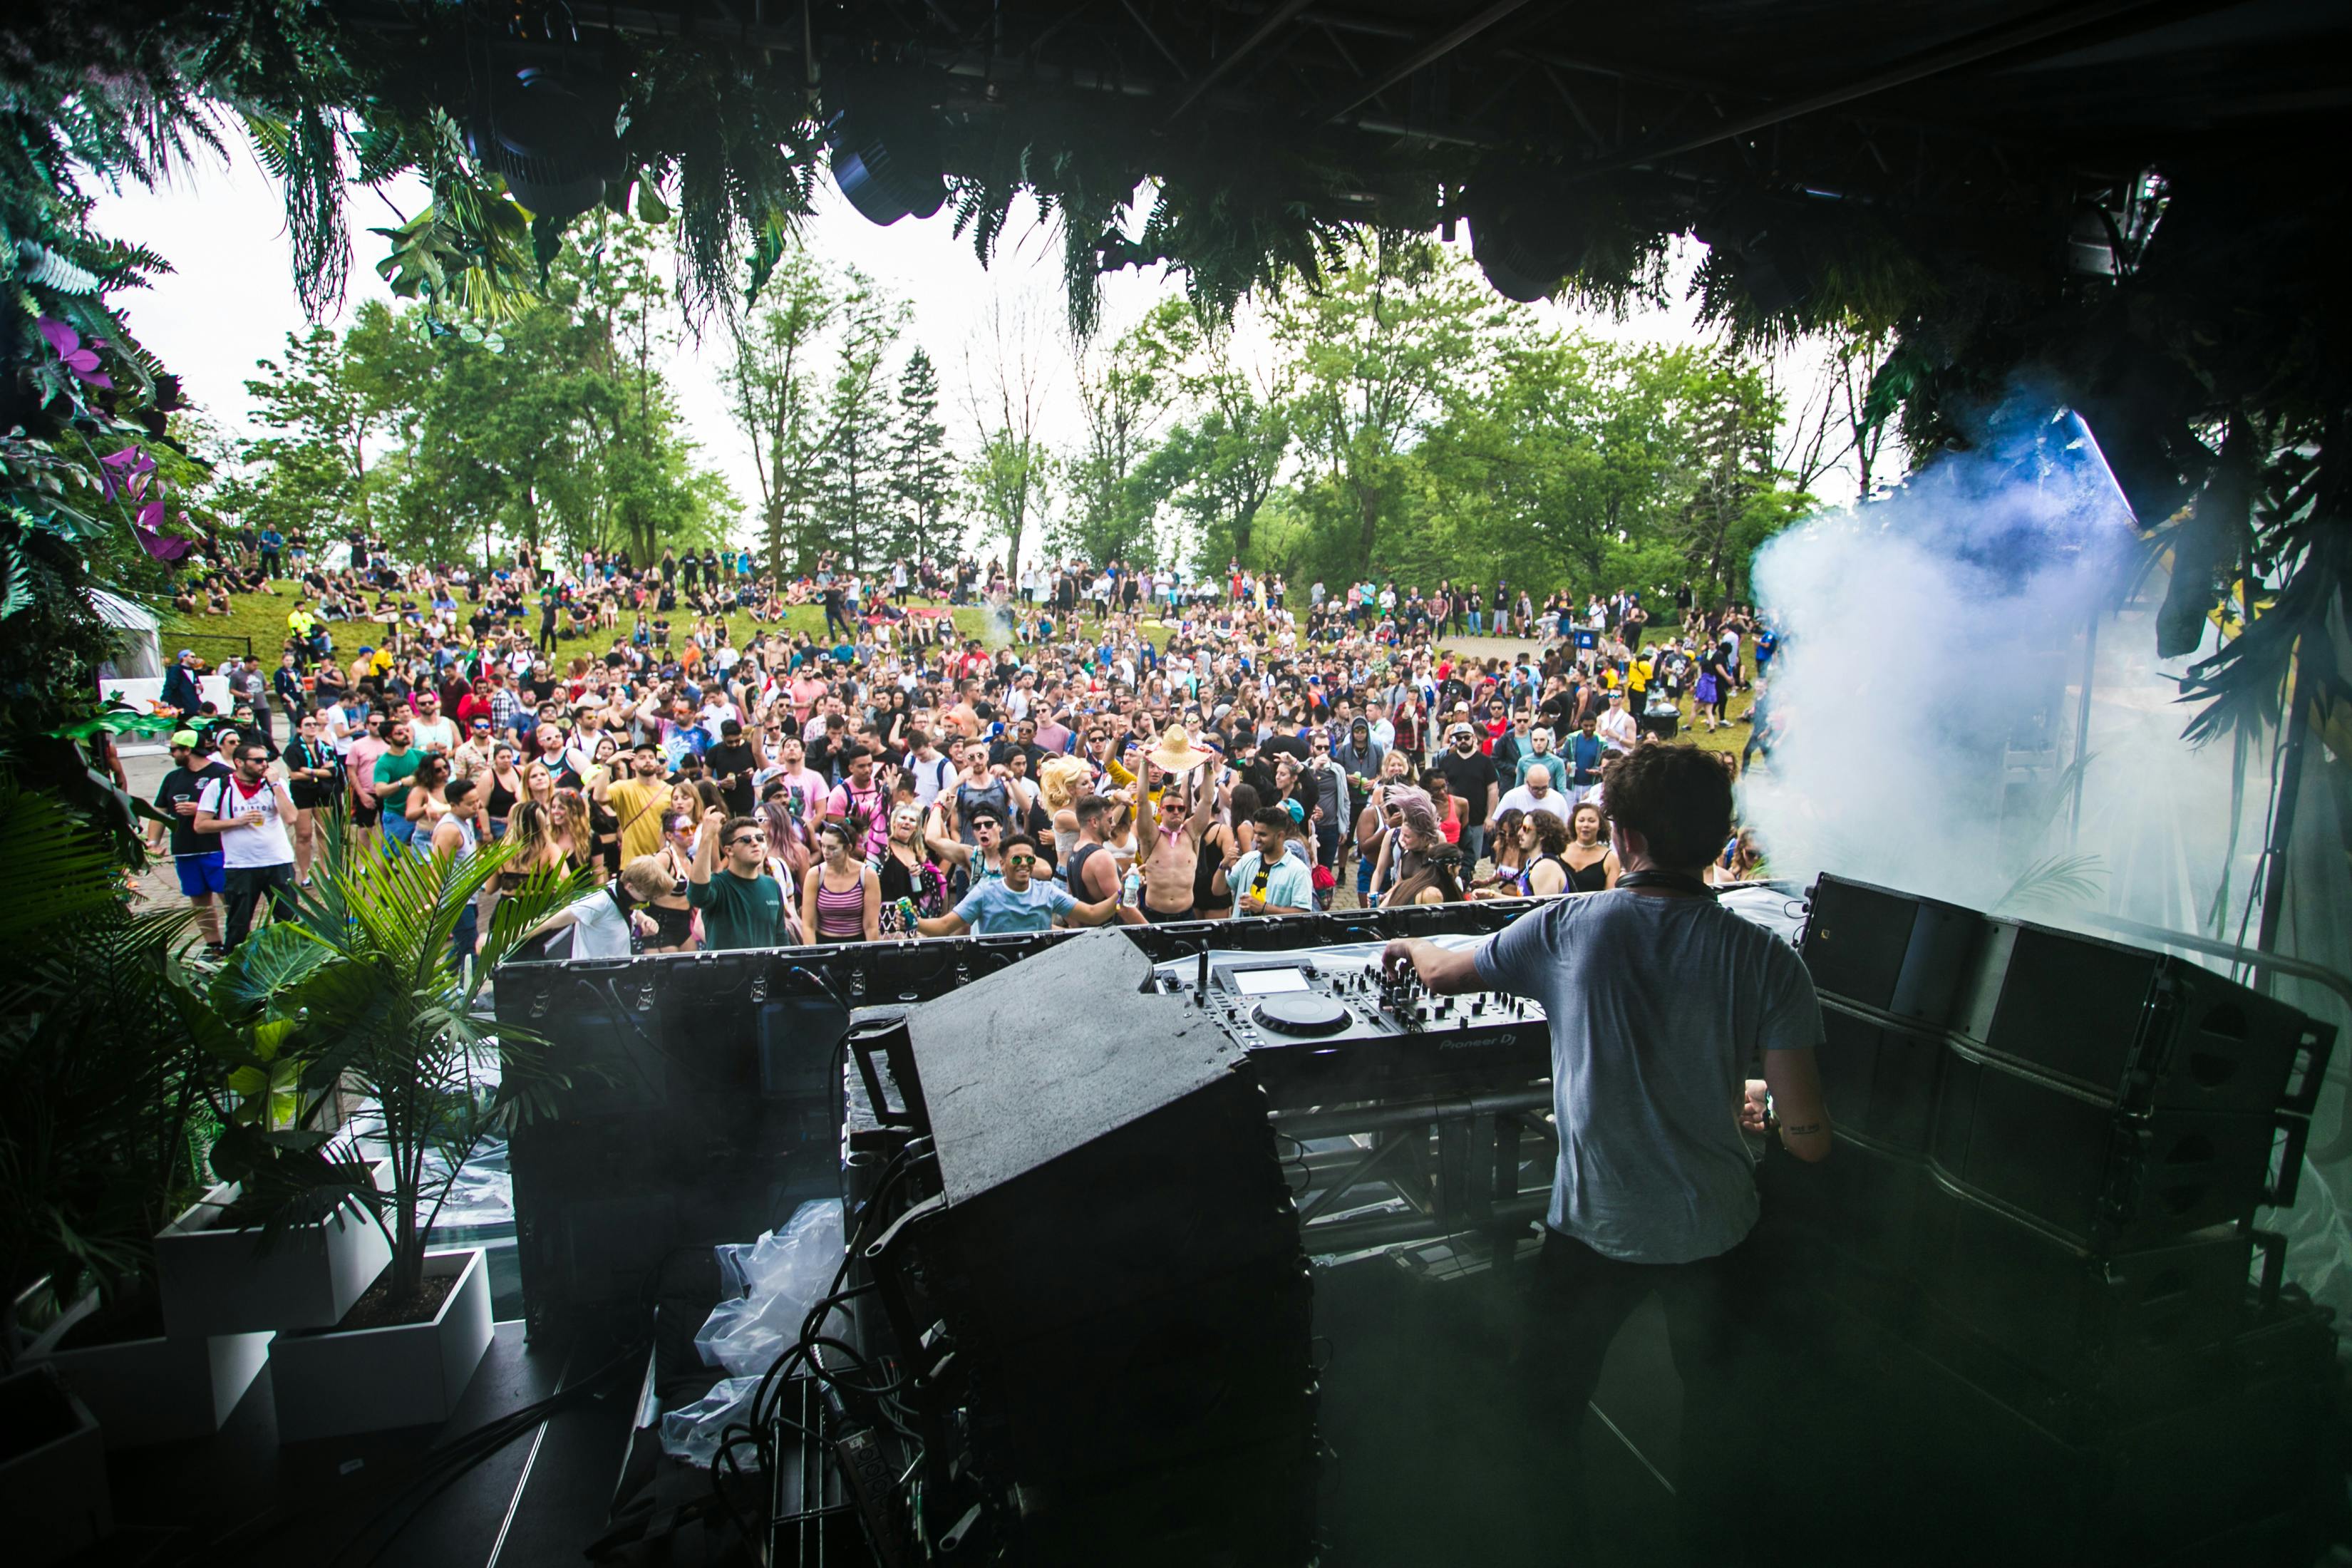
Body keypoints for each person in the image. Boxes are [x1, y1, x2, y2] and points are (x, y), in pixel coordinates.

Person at [1378, 743, 1830, 1562]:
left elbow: (1445, 973)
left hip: (1594, 1230)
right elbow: (1809, 1140)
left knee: (1544, 1409)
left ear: (1623, 837)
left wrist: (1410, 947)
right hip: (1718, 1232)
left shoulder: (1567, 928)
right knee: (1720, 1419)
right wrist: (1754, 1105)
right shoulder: (1770, 960)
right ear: (1719, 837)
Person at [913, 833, 1131, 935]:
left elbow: (1093, 914)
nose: (1024, 864)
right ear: (1003, 865)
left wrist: (1123, 892)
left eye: (1029, 859)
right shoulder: (984, 892)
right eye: (1017, 859)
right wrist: (914, 922)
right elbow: (944, 926)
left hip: (1037, 973)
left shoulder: (1046, 891)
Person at [194, 740, 300, 949]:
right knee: (238, 923)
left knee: (288, 920)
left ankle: (292, 960)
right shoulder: (219, 786)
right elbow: (200, 825)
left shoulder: (275, 785)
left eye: (266, 760)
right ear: (239, 762)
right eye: (258, 760)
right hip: (240, 865)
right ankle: (236, 962)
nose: (264, 765)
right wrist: (237, 822)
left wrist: (276, 785)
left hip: (278, 861)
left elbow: (291, 817)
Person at [150, 728, 229, 954]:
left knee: (229, 896)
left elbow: (236, 809)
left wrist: (202, 810)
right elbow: (159, 812)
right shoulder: (172, 778)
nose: (171, 754)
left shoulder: (222, 774)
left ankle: (238, 941)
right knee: (199, 899)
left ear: (188, 750)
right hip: (185, 849)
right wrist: (153, 842)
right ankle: (213, 945)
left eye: (174, 749)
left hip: (217, 847)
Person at [690, 808, 800, 949]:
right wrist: (707, 837)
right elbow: (697, 895)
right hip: (728, 965)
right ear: (729, 850)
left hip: (766, 965)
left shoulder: (772, 885)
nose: (755, 843)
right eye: (746, 840)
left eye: (759, 838)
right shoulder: (718, 884)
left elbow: (780, 939)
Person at [526, 855, 671, 959]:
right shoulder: (599, 901)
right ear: (630, 886)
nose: (648, 902)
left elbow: (631, 911)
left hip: (618, 971)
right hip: (592, 976)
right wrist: (520, 937)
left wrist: (644, 919)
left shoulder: (620, 892)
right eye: (647, 897)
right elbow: (551, 921)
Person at [1217, 805, 1312, 917]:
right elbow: (1218, 891)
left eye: (1262, 834)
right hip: (1242, 928)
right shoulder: (1247, 860)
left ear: (1280, 836)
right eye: (1255, 833)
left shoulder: (1299, 871)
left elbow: (1303, 913)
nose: (1256, 839)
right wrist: (1223, 865)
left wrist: (1264, 908)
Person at [799, 817, 880, 944]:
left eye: (832, 848)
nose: (825, 852)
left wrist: (872, 953)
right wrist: (812, 953)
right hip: (824, 943)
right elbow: (808, 925)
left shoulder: (867, 875)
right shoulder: (815, 875)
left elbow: (871, 927)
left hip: (857, 943)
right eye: (823, 846)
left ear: (848, 848)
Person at [1435, 721, 1499, 872]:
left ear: (1473, 738)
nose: (1463, 741)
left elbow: (1493, 790)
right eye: (1459, 738)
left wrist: (1490, 817)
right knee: (1448, 858)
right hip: (1451, 820)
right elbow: (1438, 789)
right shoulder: (1446, 761)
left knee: (1473, 859)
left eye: (1466, 737)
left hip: (1477, 819)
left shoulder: (1485, 762)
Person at [1562, 800, 1619, 892]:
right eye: (1581, 820)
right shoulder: (1560, 851)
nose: (1586, 825)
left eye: (1591, 821)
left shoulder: (1610, 858)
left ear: (1600, 825)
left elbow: (1611, 896)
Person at [1499, 762, 1574, 825]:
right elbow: (1498, 822)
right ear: (1527, 783)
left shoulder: (1558, 799)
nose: (1540, 792)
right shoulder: (1512, 797)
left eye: (1544, 788)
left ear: (1549, 781)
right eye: (1536, 789)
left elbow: (1566, 826)